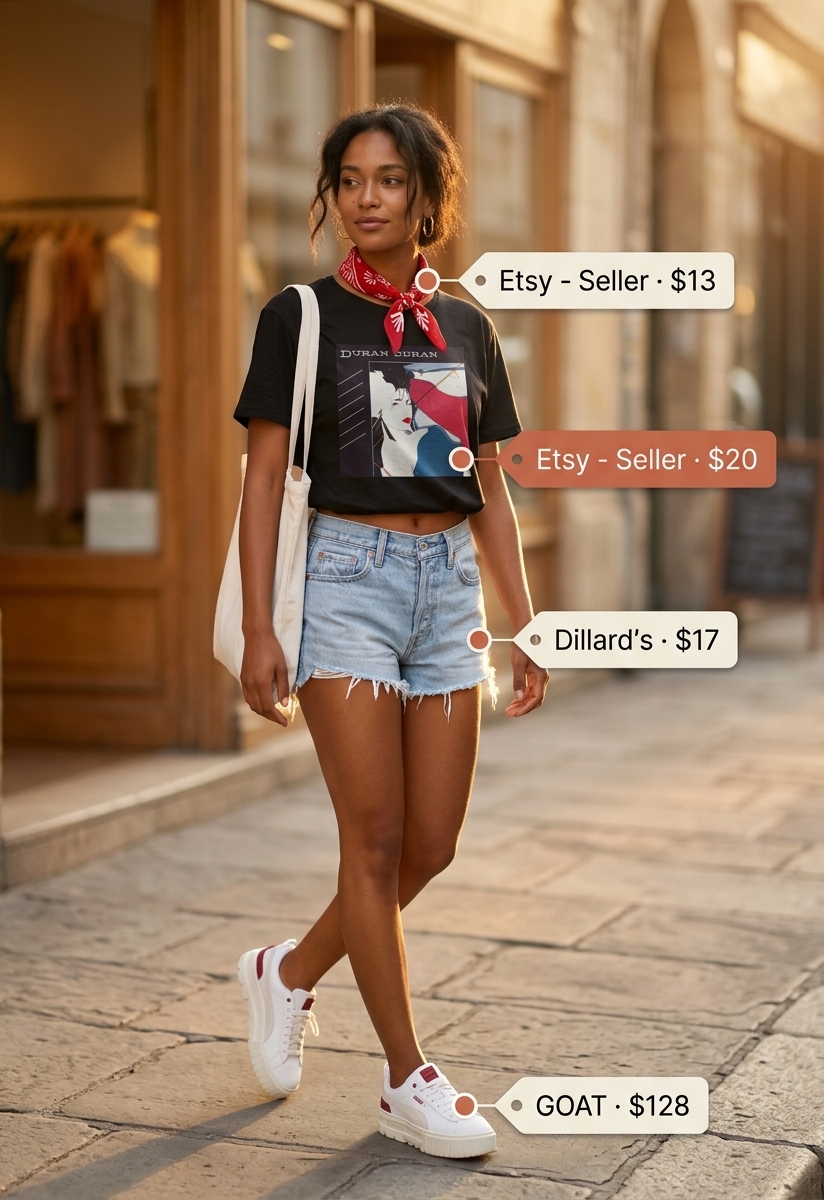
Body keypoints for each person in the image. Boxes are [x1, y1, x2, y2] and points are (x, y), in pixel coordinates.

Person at [234, 104, 548, 1159]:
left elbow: (490, 486)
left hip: (445, 594)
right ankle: (405, 1077)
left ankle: (287, 971)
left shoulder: (465, 326)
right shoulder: (300, 316)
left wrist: (524, 623)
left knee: (430, 844)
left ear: (424, 194)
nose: (367, 199)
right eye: (350, 180)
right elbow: (262, 480)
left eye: (388, 180)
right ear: (332, 194)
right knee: (368, 841)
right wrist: (259, 633)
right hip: (345, 584)